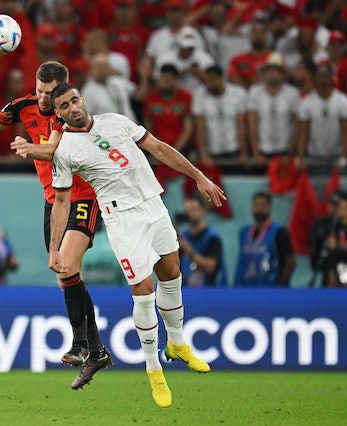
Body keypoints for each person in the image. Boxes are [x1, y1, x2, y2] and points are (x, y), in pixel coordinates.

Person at [45, 82, 224, 408]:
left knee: (171, 273)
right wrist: (55, 248)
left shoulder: (116, 120)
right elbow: (60, 200)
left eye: (74, 100)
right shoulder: (64, 150)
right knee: (143, 292)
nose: (72, 107)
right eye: (64, 106)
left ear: (82, 99)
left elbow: (159, 148)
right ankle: (154, 369)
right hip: (123, 219)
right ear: (57, 114)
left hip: (154, 205)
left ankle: (178, 344)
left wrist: (199, 176)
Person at [0, 62, 112, 390]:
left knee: (67, 264)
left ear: (64, 90)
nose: (44, 99)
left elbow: (55, 150)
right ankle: (98, 351)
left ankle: (80, 345)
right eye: (39, 91)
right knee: (65, 273)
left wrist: (28, 148)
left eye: (50, 93)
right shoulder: (24, 107)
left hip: (82, 196)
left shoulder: (72, 113)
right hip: (54, 200)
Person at [296, 63, 347, 175]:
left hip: (336, 156)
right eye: (320, 75)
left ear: (332, 77)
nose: (323, 79)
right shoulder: (307, 102)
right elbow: (303, 133)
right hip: (314, 158)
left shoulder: (343, 101)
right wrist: (300, 157)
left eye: (326, 75)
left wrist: (343, 157)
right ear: (315, 78)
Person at [192, 65, 248, 174]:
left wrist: (244, 152)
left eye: (212, 80)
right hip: (212, 153)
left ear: (221, 78)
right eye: (206, 80)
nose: (209, 84)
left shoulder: (238, 93)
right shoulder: (199, 95)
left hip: (234, 150)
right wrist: (203, 155)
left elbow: (241, 126)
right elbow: (200, 128)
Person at [247, 52, 300, 165]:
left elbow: (296, 126)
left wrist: (290, 152)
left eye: (276, 70)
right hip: (263, 150)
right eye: (269, 70)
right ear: (264, 73)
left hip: (284, 151)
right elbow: (252, 125)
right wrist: (256, 153)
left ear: (283, 74)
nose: (272, 73)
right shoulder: (255, 92)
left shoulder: (293, 93)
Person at [234, 192, 295, 287]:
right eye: (256, 205)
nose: (259, 209)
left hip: (270, 288)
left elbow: (290, 262)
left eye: (263, 205)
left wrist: (281, 286)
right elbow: (241, 261)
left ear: (270, 207)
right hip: (246, 288)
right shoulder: (244, 232)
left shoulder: (279, 232)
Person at [178, 196, 227, 287]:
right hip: (187, 289)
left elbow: (210, 267)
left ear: (203, 211)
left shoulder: (212, 238)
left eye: (193, 210)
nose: (190, 214)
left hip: (209, 291)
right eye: (187, 210)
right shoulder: (183, 237)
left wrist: (189, 251)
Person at [81, 53, 136, 121]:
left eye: (105, 66)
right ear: (92, 69)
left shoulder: (118, 82)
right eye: (99, 67)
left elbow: (138, 94)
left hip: (130, 126)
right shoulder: (88, 91)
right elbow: (85, 118)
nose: (103, 70)